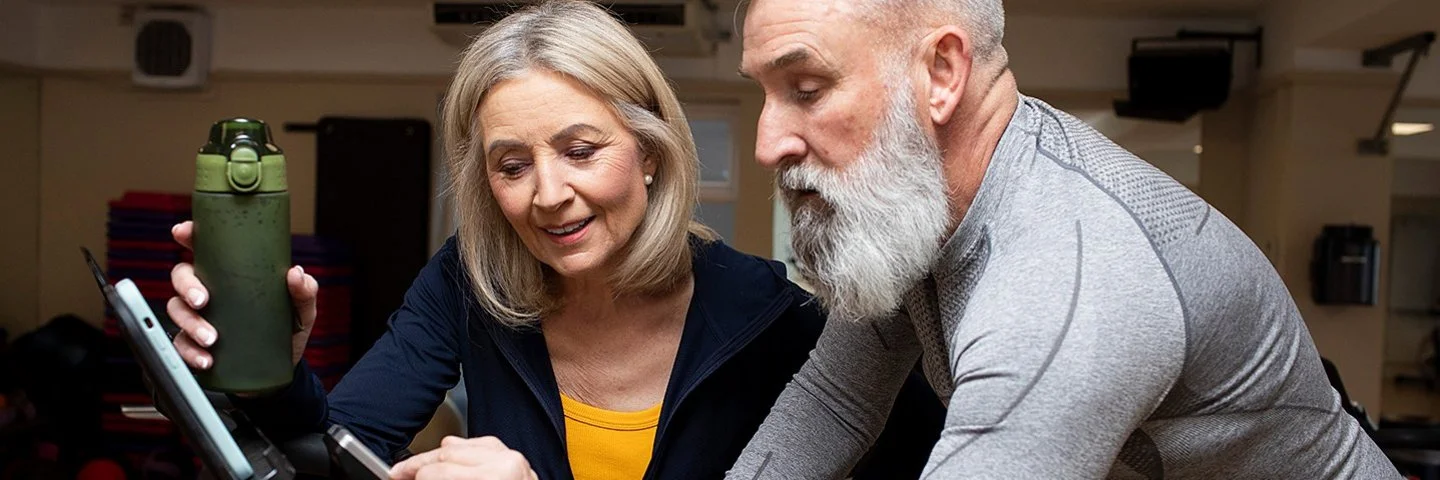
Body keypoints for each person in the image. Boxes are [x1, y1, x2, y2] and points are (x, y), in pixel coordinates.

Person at [163, 1, 942, 479]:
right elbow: (331, 455)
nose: (547, 194)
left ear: (649, 151)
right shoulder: (466, 284)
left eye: (579, 150)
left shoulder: (772, 317)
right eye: (512, 164)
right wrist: (272, 368)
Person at [724, 0, 1402, 478]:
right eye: (765, 94)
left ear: (941, 73)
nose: (766, 143)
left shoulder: (1069, 272)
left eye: (806, 88)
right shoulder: (918, 209)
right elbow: (832, 408)